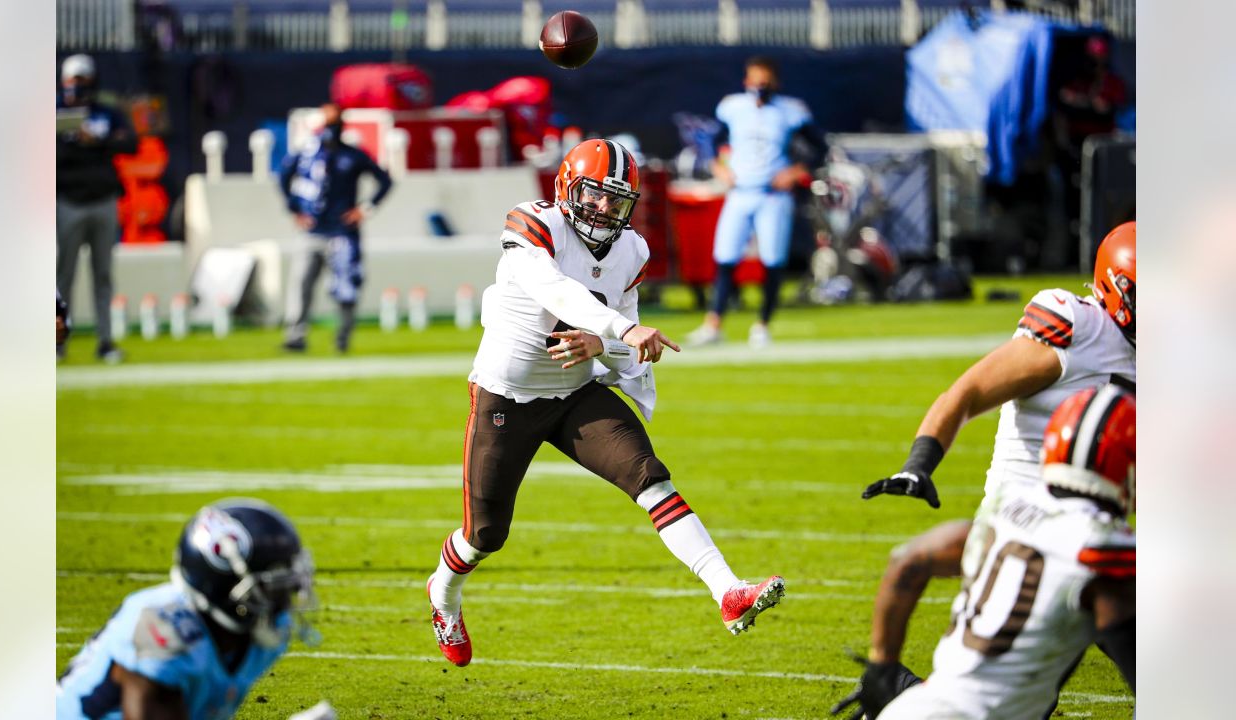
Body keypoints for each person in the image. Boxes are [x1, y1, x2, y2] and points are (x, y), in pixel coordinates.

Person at [424, 138, 785, 667]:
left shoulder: (631, 250)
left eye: (616, 202)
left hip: (575, 392)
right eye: (595, 196)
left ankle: (728, 591)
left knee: (649, 475)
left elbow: (624, 357)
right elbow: (556, 291)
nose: (604, 210)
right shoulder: (533, 224)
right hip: (509, 394)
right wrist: (620, 328)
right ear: (566, 188)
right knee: (485, 534)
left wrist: (604, 342)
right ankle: (444, 595)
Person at [832, 385, 1136, 719]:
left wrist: (882, 667)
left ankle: (902, 683)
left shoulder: (1007, 506)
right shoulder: (1104, 546)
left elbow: (909, 559)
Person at [861, 220, 1136, 511]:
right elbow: (970, 391)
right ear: (1115, 284)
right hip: (1018, 522)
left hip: (1089, 527)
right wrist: (918, 464)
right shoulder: (1082, 327)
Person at [56, 498, 330, 720]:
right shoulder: (162, 629)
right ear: (228, 588)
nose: (287, 600)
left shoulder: (261, 632)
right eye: (272, 588)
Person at [687, 56, 826, 348]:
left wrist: (796, 171)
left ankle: (762, 324)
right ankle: (714, 323)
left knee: (772, 260)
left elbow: (820, 148)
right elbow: (711, 138)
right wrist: (718, 166)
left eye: (765, 81)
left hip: (772, 195)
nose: (760, 87)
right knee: (725, 257)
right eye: (755, 80)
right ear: (746, 81)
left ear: (775, 82)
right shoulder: (734, 107)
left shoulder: (790, 111)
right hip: (740, 192)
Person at [278, 103, 392, 353]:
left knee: (346, 286)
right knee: (301, 285)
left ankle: (343, 338)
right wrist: (295, 210)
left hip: (343, 232)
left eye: (336, 122)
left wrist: (364, 209)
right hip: (312, 230)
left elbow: (384, 180)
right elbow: (284, 176)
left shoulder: (352, 155)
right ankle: (295, 337)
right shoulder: (307, 154)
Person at [57, 53, 139, 363]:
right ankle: (57, 342)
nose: (78, 86)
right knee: (63, 276)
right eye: (73, 80)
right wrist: (74, 141)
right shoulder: (54, 112)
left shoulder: (105, 112)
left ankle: (105, 341)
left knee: (103, 275)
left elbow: (130, 143)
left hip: (103, 199)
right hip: (69, 201)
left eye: (83, 79)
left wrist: (97, 140)